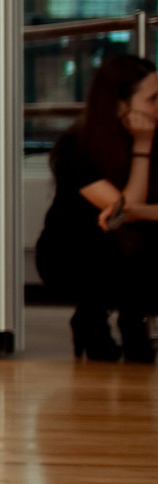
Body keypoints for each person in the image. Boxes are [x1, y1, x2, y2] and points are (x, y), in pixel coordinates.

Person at [34, 52, 158, 361]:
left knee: (139, 239)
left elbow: (130, 211)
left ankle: (132, 319)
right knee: (125, 239)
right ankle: (97, 320)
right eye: (153, 99)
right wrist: (142, 147)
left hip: (131, 248)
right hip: (75, 253)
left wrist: (137, 212)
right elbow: (119, 214)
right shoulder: (77, 147)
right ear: (120, 106)